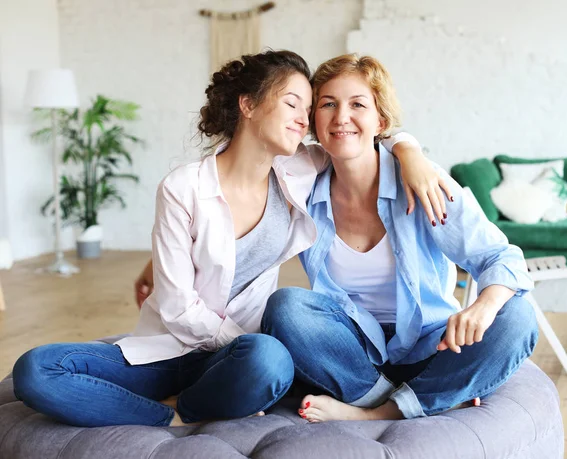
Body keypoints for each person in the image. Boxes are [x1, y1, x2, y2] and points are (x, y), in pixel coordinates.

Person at [12, 50, 445, 428]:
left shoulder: (300, 168)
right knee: (36, 369)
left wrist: (410, 151)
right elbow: (179, 308)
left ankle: (191, 404)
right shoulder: (183, 187)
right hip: (169, 349)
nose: (305, 118)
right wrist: (237, 338)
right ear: (249, 105)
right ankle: (174, 417)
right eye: (293, 103)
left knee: (269, 360)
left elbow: (366, 136)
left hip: (242, 358)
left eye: (308, 107)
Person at [260, 54, 538, 422]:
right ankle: (415, 399)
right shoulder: (303, 186)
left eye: (358, 104)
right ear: (314, 121)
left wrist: (481, 308)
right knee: (287, 307)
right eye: (328, 104)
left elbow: (501, 257)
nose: (341, 116)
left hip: (432, 346)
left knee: (517, 316)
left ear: (381, 122)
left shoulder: (422, 181)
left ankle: (375, 414)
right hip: (351, 352)